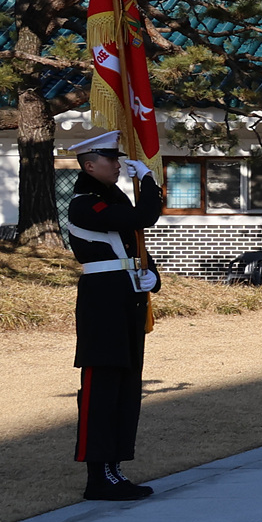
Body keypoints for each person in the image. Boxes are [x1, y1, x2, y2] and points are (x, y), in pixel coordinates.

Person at [62, 132, 165, 501]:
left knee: (125, 387)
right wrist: (149, 180)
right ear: (90, 165)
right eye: (111, 159)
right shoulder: (84, 203)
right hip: (102, 301)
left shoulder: (112, 199)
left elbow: (133, 239)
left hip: (125, 297)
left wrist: (152, 277)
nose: (119, 164)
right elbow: (144, 217)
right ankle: (98, 474)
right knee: (102, 387)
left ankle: (115, 469)